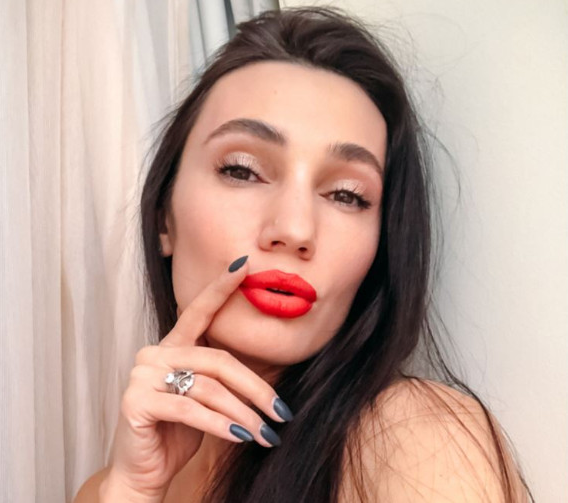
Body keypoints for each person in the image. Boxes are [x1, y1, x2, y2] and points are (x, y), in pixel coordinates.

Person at [74, 6, 532, 502]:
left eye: (347, 195)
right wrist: (132, 490)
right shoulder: (107, 489)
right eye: (242, 170)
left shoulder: (416, 438)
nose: (294, 230)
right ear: (164, 217)